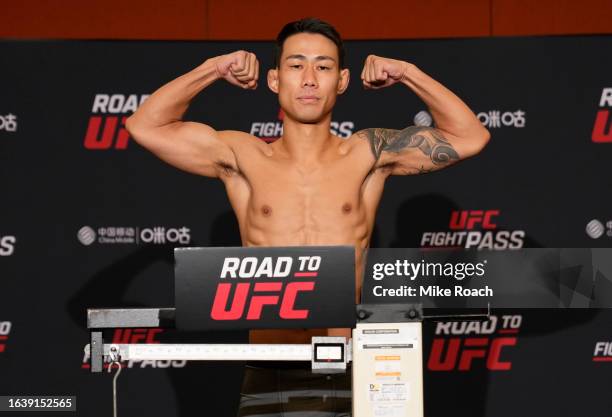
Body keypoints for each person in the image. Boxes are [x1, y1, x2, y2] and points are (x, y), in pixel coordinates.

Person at [126, 17, 490, 417]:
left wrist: (408, 73)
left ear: (342, 80)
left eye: (324, 66)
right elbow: (145, 125)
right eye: (296, 65)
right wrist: (214, 67)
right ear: (274, 79)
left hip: (355, 367)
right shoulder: (241, 156)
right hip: (272, 366)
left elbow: (469, 137)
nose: (310, 79)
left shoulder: (368, 153)